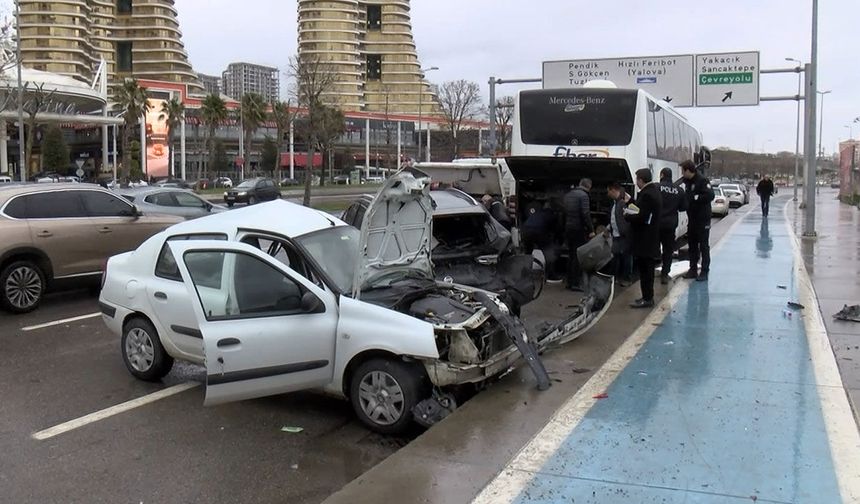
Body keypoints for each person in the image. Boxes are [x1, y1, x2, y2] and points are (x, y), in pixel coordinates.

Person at [625, 168, 662, 308]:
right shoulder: (654, 192)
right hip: (651, 238)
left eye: (637, 179)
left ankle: (647, 298)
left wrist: (627, 216)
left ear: (641, 180)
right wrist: (631, 202)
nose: (636, 182)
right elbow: (642, 210)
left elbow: (642, 216)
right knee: (647, 269)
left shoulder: (647, 195)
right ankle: (647, 296)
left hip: (645, 238)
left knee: (646, 271)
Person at [681, 160, 715, 281]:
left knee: (704, 245)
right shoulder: (688, 182)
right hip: (693, 218)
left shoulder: (702, 180)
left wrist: (695, 198)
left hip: (702, 218)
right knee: (692, 244)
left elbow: (710, 195)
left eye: (683, 171)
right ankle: (693, 269)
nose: (682, 173)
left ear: (688, 170)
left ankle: (705, 271)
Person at [657, 168, 688, 284]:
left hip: (656, 224)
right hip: (670, 224)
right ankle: (665, 274)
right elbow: (683, 207)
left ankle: (650, 272)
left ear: (662, 175)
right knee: (668, 250)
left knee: (652, 250)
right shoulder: (679, 190)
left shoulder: (657, 187)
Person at [563, 178, 594, 291]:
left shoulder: (568, 195)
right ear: (589, 186)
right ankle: (575, 283)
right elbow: (585, 213)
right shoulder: (584, 196)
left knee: (571, 255)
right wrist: (591, 229)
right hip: (578, 229)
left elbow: (564, 212)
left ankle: (569, 282)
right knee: (578, 256)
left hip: (568, 228)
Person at [522, 202, 560, 280]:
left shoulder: (538, 213)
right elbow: (556, 230)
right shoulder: (551, 215)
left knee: (528, 253)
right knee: (548, 252)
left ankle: (524, 273)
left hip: (526, 231)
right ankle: (550, 275)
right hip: (538, 232)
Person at [606, 181, 633, 285]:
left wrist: (626, 231)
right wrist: (609, 229)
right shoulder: (615, 203)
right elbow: (614, 218)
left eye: (608, 191)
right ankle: (614, 277)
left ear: (613, 190)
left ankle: (627, 278)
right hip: (616, 235)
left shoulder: (623, 203)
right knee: (615, 256)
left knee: (626, 257)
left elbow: (630, 217)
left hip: (624, 235)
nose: (608, 194)